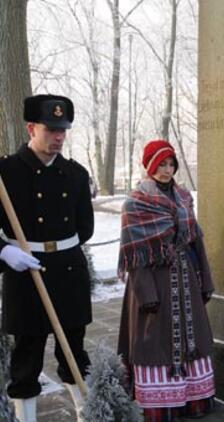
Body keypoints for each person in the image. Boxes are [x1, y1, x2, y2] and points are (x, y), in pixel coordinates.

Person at [0, 95, 94, 422]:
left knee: (75, 354)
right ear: (31, 128)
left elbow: (86, 228)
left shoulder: (76, 175)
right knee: (26, 359)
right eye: (51, 129)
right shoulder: (6, 173)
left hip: (68, 273)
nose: (58, 137)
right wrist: (3, 251)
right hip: (24, 276)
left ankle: (86, 414)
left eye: (63, 130)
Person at [117, 140, 216, 422]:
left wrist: (205, 279)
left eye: (170, 164)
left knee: (193, 337)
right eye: (160, 164)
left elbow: (196, 239)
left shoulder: (184, 197)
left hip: (186, 278)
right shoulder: (135, 203)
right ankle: (161, 404)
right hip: (154, 280)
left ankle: (192, 399)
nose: (166, 169)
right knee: (154, 340)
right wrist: (147, 293)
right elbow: (134, 253)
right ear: (150, 166)